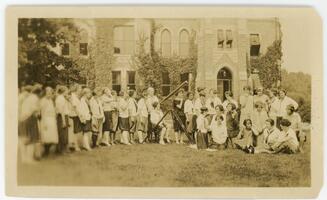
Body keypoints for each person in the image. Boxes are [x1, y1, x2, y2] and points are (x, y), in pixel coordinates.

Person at [18, 84, 43, 163]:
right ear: (39, 93)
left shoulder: (27, 98)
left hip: (23, 119)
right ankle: (29, 159)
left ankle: (24, 158)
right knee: (32, 139)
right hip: (30, 119)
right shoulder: (35, 98)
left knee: (24, 139)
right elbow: (36, 110)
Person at [39, 87, 59, 156]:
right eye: (48, 92)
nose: (49, 94)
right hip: (46, 119)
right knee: (46, 136)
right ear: (45, 93)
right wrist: (44, 122)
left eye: (50, 92)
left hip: (52, 119)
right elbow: (42, 112)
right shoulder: (43, 101)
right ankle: (45, 151)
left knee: (52, 137)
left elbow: (53, 110)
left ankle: (47, 150)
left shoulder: (51, 100)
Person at [68, 83, 83, 151]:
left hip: (75, 115)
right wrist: (79, 115)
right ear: (76, 89)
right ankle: (75, 146)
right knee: (75, 132)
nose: (81, 90)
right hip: (74, 115)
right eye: (80, 88)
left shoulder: (75, 96)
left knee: (75, 131)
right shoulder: (73, 96)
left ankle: (73, 145)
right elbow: (75, 107)